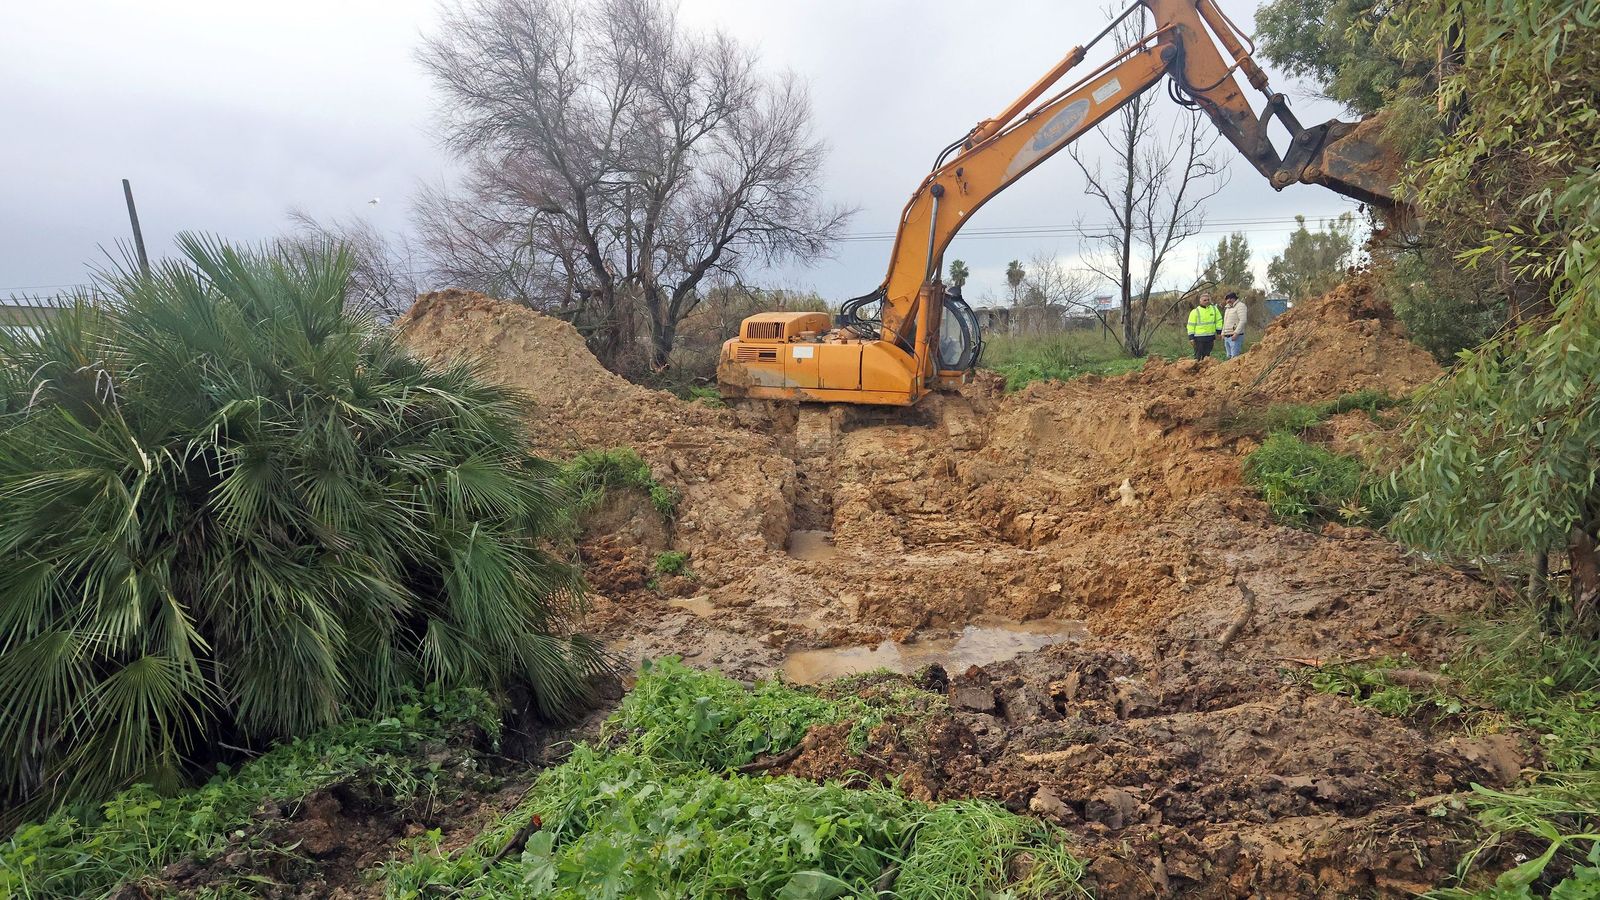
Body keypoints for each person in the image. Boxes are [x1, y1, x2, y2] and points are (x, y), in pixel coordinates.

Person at [1186, 292, 1222, 360]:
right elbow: (1190, 325)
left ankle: (1206, 370)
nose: (1207, 301)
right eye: (1204, 300)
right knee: (1198, 356)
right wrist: (1191, 338)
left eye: (1208, 300)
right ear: (1200, 301)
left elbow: (1219, 321)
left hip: (1210, 337)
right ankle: (1197, 370)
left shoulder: (1214, 309)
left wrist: (1219, 332)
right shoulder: (1195, 311)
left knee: (1207, 357)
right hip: (1199, 338)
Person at [1221, 291, 1248, 359]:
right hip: (1227, 336)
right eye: (1227, 299)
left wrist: (1236, 333)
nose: (1229, 300)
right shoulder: (1228, 308)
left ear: (1235, 298)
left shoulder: (1241, 306)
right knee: (1229, 356)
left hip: (1235, 336)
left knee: (1234, 357)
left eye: (1231, 298)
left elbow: (1242, 320)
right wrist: (1223, 332)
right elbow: (1225, 321)